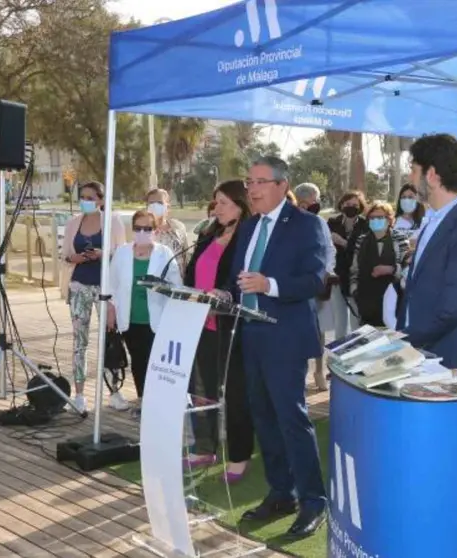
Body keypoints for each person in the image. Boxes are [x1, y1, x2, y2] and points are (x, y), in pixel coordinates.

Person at [223, 156, 328, 538]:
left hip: (285, 336)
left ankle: (313, 500)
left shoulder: (306, 224)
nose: (251, 189)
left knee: (291, 419)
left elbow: (315, 280)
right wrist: (226, 293)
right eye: (248, 182)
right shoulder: (250, 227)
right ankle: (282, 492)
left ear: (282, 185)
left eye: (259, 182)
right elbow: (238, 278)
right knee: (263, 418)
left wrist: (270, 285)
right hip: (251, 333)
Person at [396, 134, 457, 371]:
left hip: (451, 360)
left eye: (413, 170)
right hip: (420, 354)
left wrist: (401, 341)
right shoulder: (434, 218)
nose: (410, 178)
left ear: (431, 175)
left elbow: (450, 310)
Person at [183, 179, 255, 482]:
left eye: (224, 203)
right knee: (202, 389)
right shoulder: (208, 233)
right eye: (216, 202)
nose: (217, 208)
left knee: (235, 393)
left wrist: (221, 300)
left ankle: (239, 457)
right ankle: (204, 447)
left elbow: (239, 282)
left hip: (231, 326)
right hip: (201, 323)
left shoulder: (247, 237)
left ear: (241, 205)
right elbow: (191, 273)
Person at [105, 210, 183, 417]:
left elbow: (176, 286)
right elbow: (112, 285)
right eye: (138, 228)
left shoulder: (164, 253)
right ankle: (143, 401)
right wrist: (110, 310)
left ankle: (158, 404)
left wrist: (160, 287)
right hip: (130, 319)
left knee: (155, 364)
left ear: (156, 230)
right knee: (138, 362)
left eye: (147, 229)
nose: (142, 232)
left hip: (157, 320)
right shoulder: (122, 253)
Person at [60, 181, 125, 412]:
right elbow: (65, 255)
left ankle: (114, 390)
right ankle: (79, 395)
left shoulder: (112, 221)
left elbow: (121, 254)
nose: (85, 201)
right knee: (80, 341)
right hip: (79, 286)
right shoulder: (73, 223)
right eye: (83, 197)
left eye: (90, 197)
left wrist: (102, 253)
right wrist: (74, 258)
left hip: (105, 288)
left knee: (110, 338)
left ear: (100, 200)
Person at [293, 182, 336, 391]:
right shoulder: (289, 221)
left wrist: (325, 272)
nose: (316, 204)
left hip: (317, 283)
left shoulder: (319, 222)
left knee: (319, 329)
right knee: (297, 330)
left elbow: (329, 249)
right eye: (313, 201)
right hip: (295, 285)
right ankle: (298, 374)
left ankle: (318, 371)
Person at [350, 201, 410, 327]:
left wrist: (391, 269)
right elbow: (355, 269)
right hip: (366, 301)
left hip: (393, 301)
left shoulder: (400, 238)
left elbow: (408, 269)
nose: (375, 220)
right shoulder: (362, 240)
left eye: (380, 217)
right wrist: (355, 291)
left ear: (389, 219)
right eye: (372, 218)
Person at [327, 191, 370, 338]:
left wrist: (343, 242)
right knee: (340, 319)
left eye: (355, 205)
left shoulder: (365, 225)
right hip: (337, 277)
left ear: (360, 207)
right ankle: (339, 349)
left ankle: (357, 349)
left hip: (356, 278)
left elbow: (363, 250)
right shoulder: (332, 223)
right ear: (341, 205)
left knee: (356, 318)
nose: (350, 207)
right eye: (347, 204)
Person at [146, 188, 190, 279]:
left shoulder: (179, 227)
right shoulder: (143, 231)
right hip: (155, 283)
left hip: (178, 283)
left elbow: (185, 256)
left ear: (168, 207)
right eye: (151, 203)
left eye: (159, 203)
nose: (155, 206)